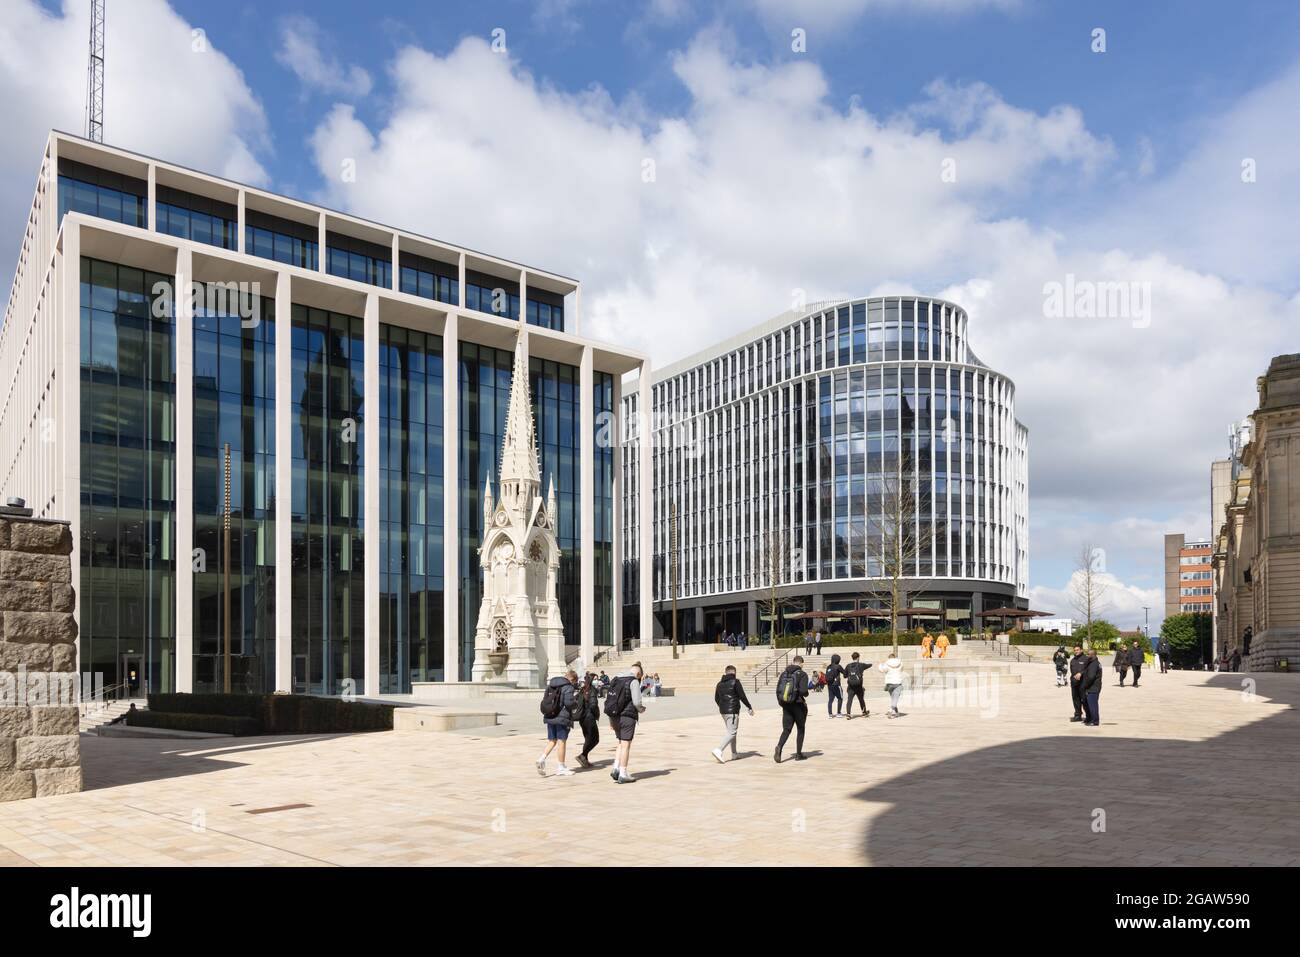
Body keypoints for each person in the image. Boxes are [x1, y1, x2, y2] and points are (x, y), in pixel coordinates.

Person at [603, 662, 646, 783]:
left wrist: (611, 720)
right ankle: (623, 773)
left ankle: (615, 768)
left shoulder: (616, 680)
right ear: (638, 673)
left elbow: (610, 700)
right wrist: (641, 709)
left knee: (620, 743)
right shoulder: (633, 681)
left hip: (614, 716)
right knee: (626, 745)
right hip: (627, 716)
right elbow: (637, 702)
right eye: (640, 677)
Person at [536, 669, 578, 777]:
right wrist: (576, 702)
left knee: (552, 740)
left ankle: (541, 759)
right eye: (574, 682)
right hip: (562, 718)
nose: (574, 684)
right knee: (561, 741)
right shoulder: (568, 687)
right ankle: (561, 767)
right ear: (572, 679)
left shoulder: (551, 686)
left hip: (550, 716)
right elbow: (569, 703)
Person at [712, 665, 755, 763]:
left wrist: (722, 706)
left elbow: (716, 699)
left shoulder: (719, 684)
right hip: (732, 711)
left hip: (723, 711)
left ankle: (734, 754)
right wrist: (749, 706)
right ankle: (718, 750)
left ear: (726, 672)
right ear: (734, 673)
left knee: (732, 732)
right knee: (732, 732)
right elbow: (742, 696)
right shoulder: (736, 682)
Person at [774, 655, 810, 762]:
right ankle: (798, 754)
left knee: (786, 729)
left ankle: (779, 746)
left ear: (792, 661)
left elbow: (777, 690)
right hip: (798, 705)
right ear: (801, 663)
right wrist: (806, 693)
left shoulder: (784, 674)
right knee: (801, 728)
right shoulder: (802, 674)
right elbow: (804, 691)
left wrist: (782, 703)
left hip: (786, 705)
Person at [574, 671, 601, 769]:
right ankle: (583, 755)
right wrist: (596, 714)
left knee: (587, 738)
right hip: (589, 718)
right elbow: (593, 705)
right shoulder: (592, 690)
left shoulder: (582, 690)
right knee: (595, 739)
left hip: (582, 718)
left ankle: (584, 758)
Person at [844, 652, 872, 719]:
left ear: (852, 658)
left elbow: (844, 676)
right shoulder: (861, 665)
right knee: (861, 699)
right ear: (858, 657)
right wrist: (871, 664)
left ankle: (848, 713)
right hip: (859, 686)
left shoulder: (848, 666)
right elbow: (869, 665)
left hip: (850, 687)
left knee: (849, 700)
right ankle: (864, 712)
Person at [1082, 648, 1103, 726]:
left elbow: (1091, 677)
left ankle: (1095, 721)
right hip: (1094, 687)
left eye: (1088, 654)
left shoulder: (1094, 664)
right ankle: (1091, 719)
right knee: (1090, 704)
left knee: (1093, 705)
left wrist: (1085, 685)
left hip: (1093, 687)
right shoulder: (1094, 663)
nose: (1087, 656)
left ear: (1092, 655)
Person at [880, 652, 905, 718]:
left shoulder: (886, 663)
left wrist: (880, 665)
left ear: (889, 658)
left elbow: (882, 670)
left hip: (889, 683)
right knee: (895, 698)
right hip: (898, 683)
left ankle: (896, 712)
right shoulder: (900, 663)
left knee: (893, 698)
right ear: (895, 657)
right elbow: (902, 669)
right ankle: (891, 710)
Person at [1068, 644, 1087, 721]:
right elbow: (1072, 672)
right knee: (1075, 699)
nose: (1076, 651)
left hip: (1083, 683)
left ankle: (1089, 715)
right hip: (1074, 683)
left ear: (1081, 650)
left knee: (1084, 700)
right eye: (1075, 650)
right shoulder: (1072, 660)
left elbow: (1088, 670)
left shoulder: (1086, 659)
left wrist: (1081, 673)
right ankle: (1078, 715)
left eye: (1077, 650)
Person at [824, 653, 846, 718]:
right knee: (840, 698)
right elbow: (844, 673)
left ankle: (830, 714)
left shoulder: (829, 667)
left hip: (829, 685)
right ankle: (838, 713)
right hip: (837, 685)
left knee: (830, 699)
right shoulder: (838, 666)